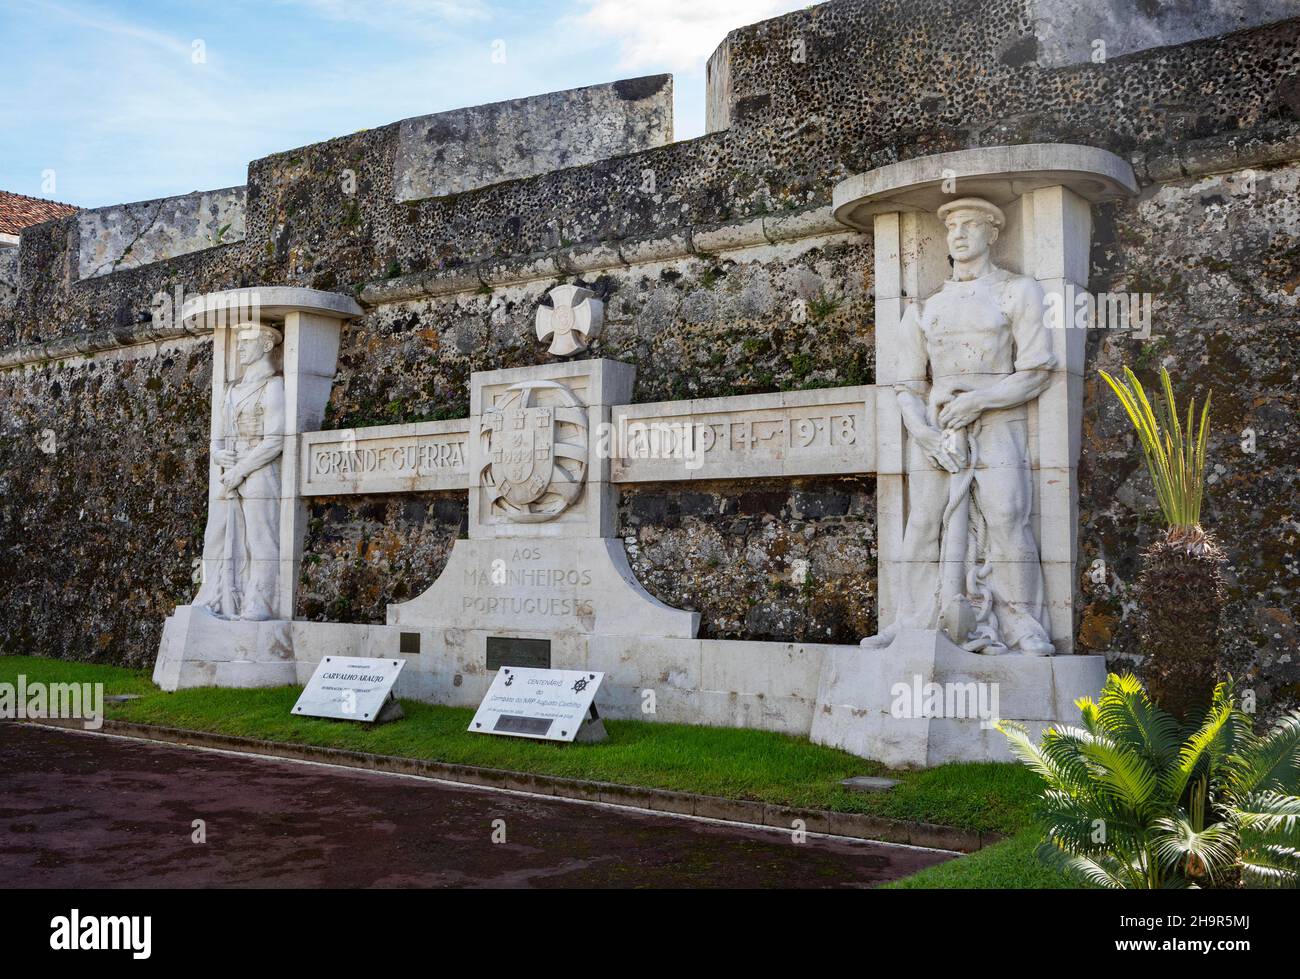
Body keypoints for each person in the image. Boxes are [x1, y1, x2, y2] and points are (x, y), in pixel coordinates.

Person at [864, 197, 1055, 655]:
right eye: (952, 227)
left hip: (998, 421)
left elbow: (1036, 370)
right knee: (924, 523)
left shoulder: (1017, 291)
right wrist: (925, 433)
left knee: (1008, 517)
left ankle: (1021, 621)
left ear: (993, 233)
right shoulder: (926, 308)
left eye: (971, 224)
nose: (960, 234)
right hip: (936, 428)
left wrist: (981, 401)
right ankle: (910, 620)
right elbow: (905, 385)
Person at [193, 323, 285, 621]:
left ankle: (258, 602)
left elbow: (275, 441)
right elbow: (216, 440)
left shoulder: (273, 386)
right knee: (215, 536)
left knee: (261, 539)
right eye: (239, 342)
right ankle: (215, 594)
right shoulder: (232, 390)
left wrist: (241, 471)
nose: (240, 347)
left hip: (258, 469)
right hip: (230, 469)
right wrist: (220, 454)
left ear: (267, 346)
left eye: (247, 342)